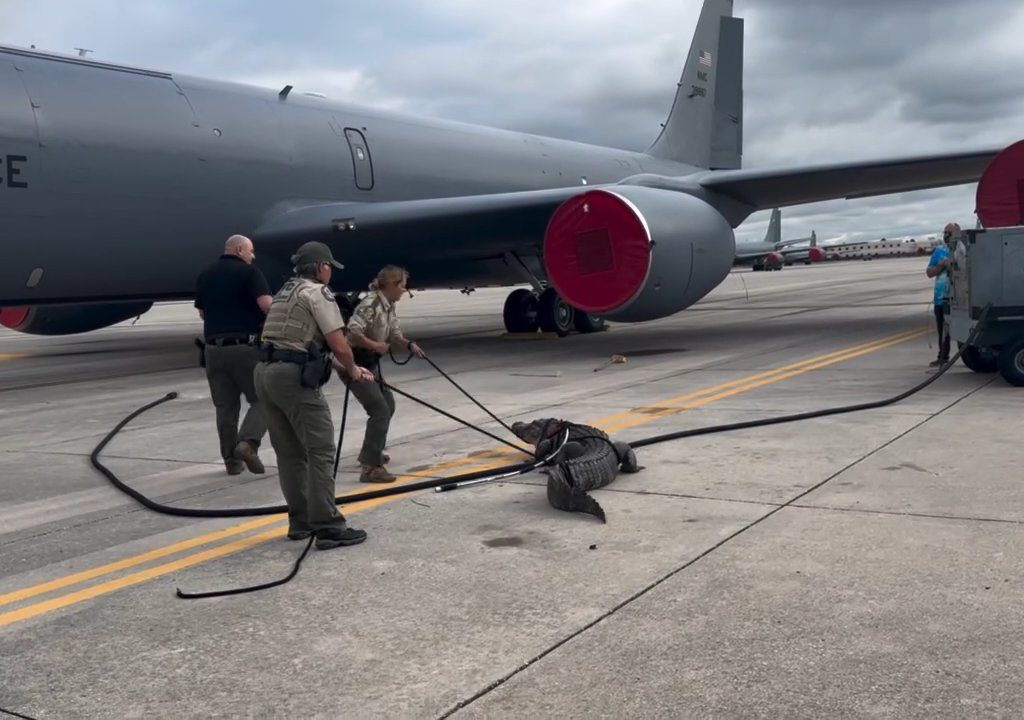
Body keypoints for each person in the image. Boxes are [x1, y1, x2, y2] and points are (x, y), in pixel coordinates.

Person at [253, 241, 375, 550]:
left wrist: (343, 366)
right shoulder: (317, 293)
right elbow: (338, 343)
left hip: (265, 372)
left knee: (290, 453)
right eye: (329, 266)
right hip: (292, 379)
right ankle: (329, 525)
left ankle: (301, 522)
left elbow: (298, 344)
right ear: (320, 268)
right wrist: (352, 368)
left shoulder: (286, 292)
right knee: (320, 450)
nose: (331, 272)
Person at [194, 234, 273, 475]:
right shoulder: (250, 273)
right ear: (239, 250)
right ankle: (247, 443)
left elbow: (203, 313)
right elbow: (267, 306)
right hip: (244, 348)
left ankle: (231, 462)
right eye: (251, 251)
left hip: (213, 350)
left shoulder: (205, 274)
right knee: (264, 399)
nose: (253, 256)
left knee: (225, 408)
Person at [345, 265, 425, 484]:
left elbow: (395, 332)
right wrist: (376, 345)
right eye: (403, 287)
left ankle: (372, 451)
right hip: (353, 363)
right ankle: (370, 468)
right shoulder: (370, 304)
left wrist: (409, 345)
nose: (404, 292)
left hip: (369, 363)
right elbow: (353, 331)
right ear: (392, 285)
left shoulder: (388, 305)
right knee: (379, 409)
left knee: (387, 404)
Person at [925, 222, 959, 366]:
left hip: (959, 298)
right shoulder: (939, 252)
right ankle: (943, 356)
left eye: (949, 233)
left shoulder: (964, 250)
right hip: (941, 298)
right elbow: (929, 272)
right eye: (945, 232)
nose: (946, 235)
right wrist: (941, 265)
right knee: (942, 329)